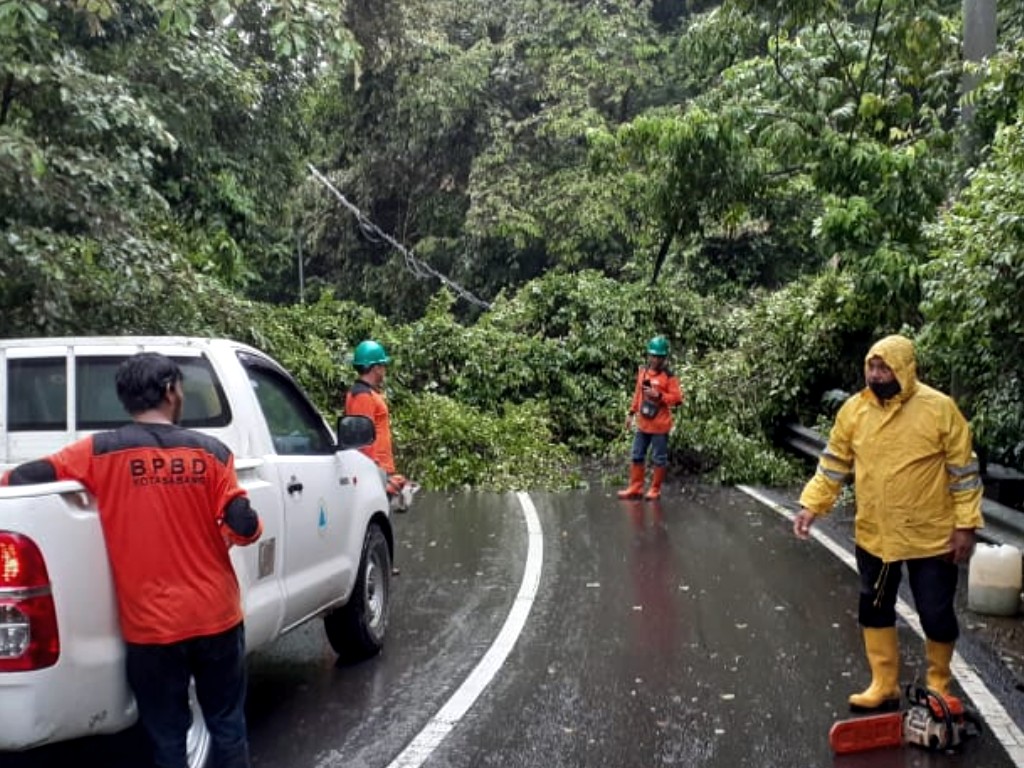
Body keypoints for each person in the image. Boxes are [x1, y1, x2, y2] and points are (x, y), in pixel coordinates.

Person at [1, 352, 262, 768]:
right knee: (227, 726)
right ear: (170, 390)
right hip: (217, 619)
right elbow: (244, 525)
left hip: (152, 630)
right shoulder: (212, 453)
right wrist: (239, 527)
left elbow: (28, 476)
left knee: (168, 740)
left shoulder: (99, 451)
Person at [793, 334, 984, 711]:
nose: (877, 375)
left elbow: (964, 473)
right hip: (876, 537)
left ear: (905, 369)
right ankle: (884, 684)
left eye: (885, 368)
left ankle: (939, 685)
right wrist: (811, 505)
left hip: (932, 538)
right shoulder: (854, 410)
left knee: (935, 611)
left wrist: (966, 525)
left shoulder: (939, 409)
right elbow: (834, 464)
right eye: (872, 367)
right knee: (875, 607)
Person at [617, 335, 684, 501]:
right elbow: (638, 394)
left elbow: (677, 399)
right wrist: (631, 413)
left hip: (660, 425)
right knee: (637, 454)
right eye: (653, 356)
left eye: (659, 357)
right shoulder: (644, 372)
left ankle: (655, 489)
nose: (655, 359)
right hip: (643, 423)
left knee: (658, 458)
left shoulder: (668, 376)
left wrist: (659, 396)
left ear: (664, 358)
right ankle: (636, 487)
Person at [345, 339, 410, 507]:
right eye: (382, 365)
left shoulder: (367, 393)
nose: (384, 369)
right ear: (375, 368)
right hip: (375, 472)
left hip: (380, 471)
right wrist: (379, 476)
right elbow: (363, 440)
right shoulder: (363, 396)